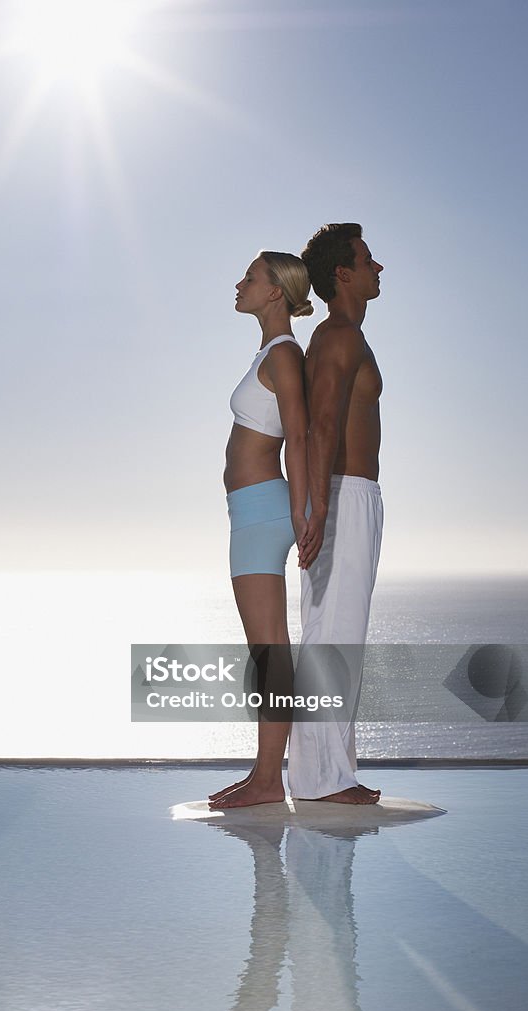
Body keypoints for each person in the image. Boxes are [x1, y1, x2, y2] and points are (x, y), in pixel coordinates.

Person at [209, 250, 314, 809]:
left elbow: (297, 437)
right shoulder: (271, 353)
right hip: (252, 513)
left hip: (264, 513)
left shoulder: (285, 354)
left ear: (276, 291)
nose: (240, 283)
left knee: (269, 653)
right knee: (268, 653)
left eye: (250, 277)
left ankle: (268, 779)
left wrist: (303, 517)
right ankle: (268, 774)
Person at [287, 223, 384, 805]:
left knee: (338, 633)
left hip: (352, 495)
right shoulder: (339, 336)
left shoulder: (344, 336)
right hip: (343, 495)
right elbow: (322, 422)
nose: (379, 269)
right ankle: (322, 781)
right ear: (342, 274)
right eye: (369, 260)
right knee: (334, 636)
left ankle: (328, 773)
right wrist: (321, 507)